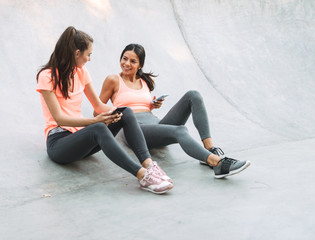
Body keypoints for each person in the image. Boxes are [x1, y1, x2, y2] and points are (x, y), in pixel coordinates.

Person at [36, 27, 173, 194]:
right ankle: (143, 176)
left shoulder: (81, 72)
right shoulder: (47, 76)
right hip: (59, 143)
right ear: (77, 53)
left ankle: (149, 166)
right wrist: (94, 121)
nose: (89, 59)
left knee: (125, 111)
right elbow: (60, 119)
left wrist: (119, 114)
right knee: (98, 128)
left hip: (81, 139)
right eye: (88, 54)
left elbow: (99, 106)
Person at [96, 43, 250, 179]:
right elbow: (97, 111)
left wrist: (153, 105)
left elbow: (141, 105)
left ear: (140, 65)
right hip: (134, 130)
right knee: (181, 130)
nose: (127, 63)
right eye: (124, 58)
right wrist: (114, 112)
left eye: (133, 61)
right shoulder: (113, 80)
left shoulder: (145, 81)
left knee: (193, 95)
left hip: (154, 125)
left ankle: (209, 149)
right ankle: (217, 164)